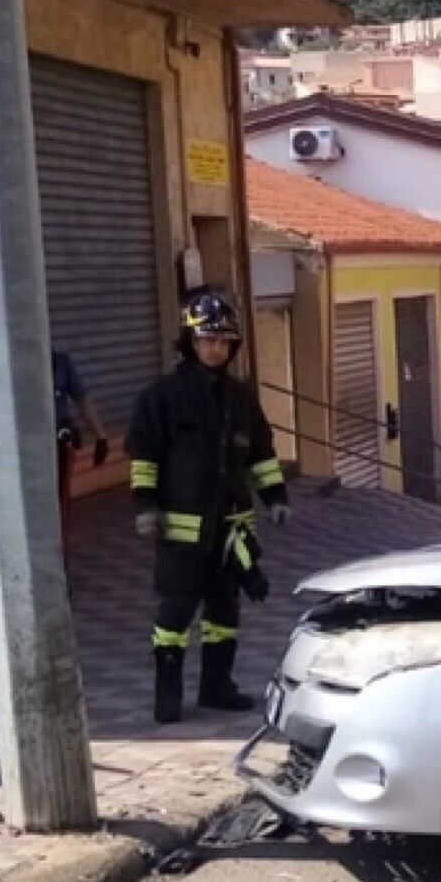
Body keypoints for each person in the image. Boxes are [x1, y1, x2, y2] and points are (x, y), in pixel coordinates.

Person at [128, 289, 289, 723]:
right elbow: (144, 456)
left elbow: (261, 452)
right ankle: (167, 696)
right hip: (180, 531)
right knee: (175, 614)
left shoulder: (241, 398)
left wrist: (275, 497)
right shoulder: (161, 398)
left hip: (231, 529)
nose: (215, 348)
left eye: (222, 341)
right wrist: (145, 506)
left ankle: (218, 687)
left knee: (224, 612)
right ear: (190, 341)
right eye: (206, 340)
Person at [52, 348, 109, 550]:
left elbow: (82, 399)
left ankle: (59, 550)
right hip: (29, 448)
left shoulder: (60, 362)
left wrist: (100, 436)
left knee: (60, 499)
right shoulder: (19, 366)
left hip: (59, 442)